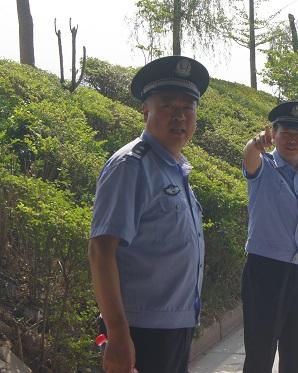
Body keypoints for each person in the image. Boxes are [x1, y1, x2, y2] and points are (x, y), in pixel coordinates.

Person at [88, 56, 209, 373]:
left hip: (175, 326)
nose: (179, 116)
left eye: (188, 107)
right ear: (146, 110)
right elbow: (101, 250)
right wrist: (117, 334)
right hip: (141, 330)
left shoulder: (175, 168)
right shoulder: (131, 166)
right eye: (168, 106)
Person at [241, 101, 298, 373]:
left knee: (296, 350)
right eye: (286, 132)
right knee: (260, 351)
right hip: (266, 269)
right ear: (273, 134)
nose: (292, 139)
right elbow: (248, 157)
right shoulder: (263, 167)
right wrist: (256, 142)